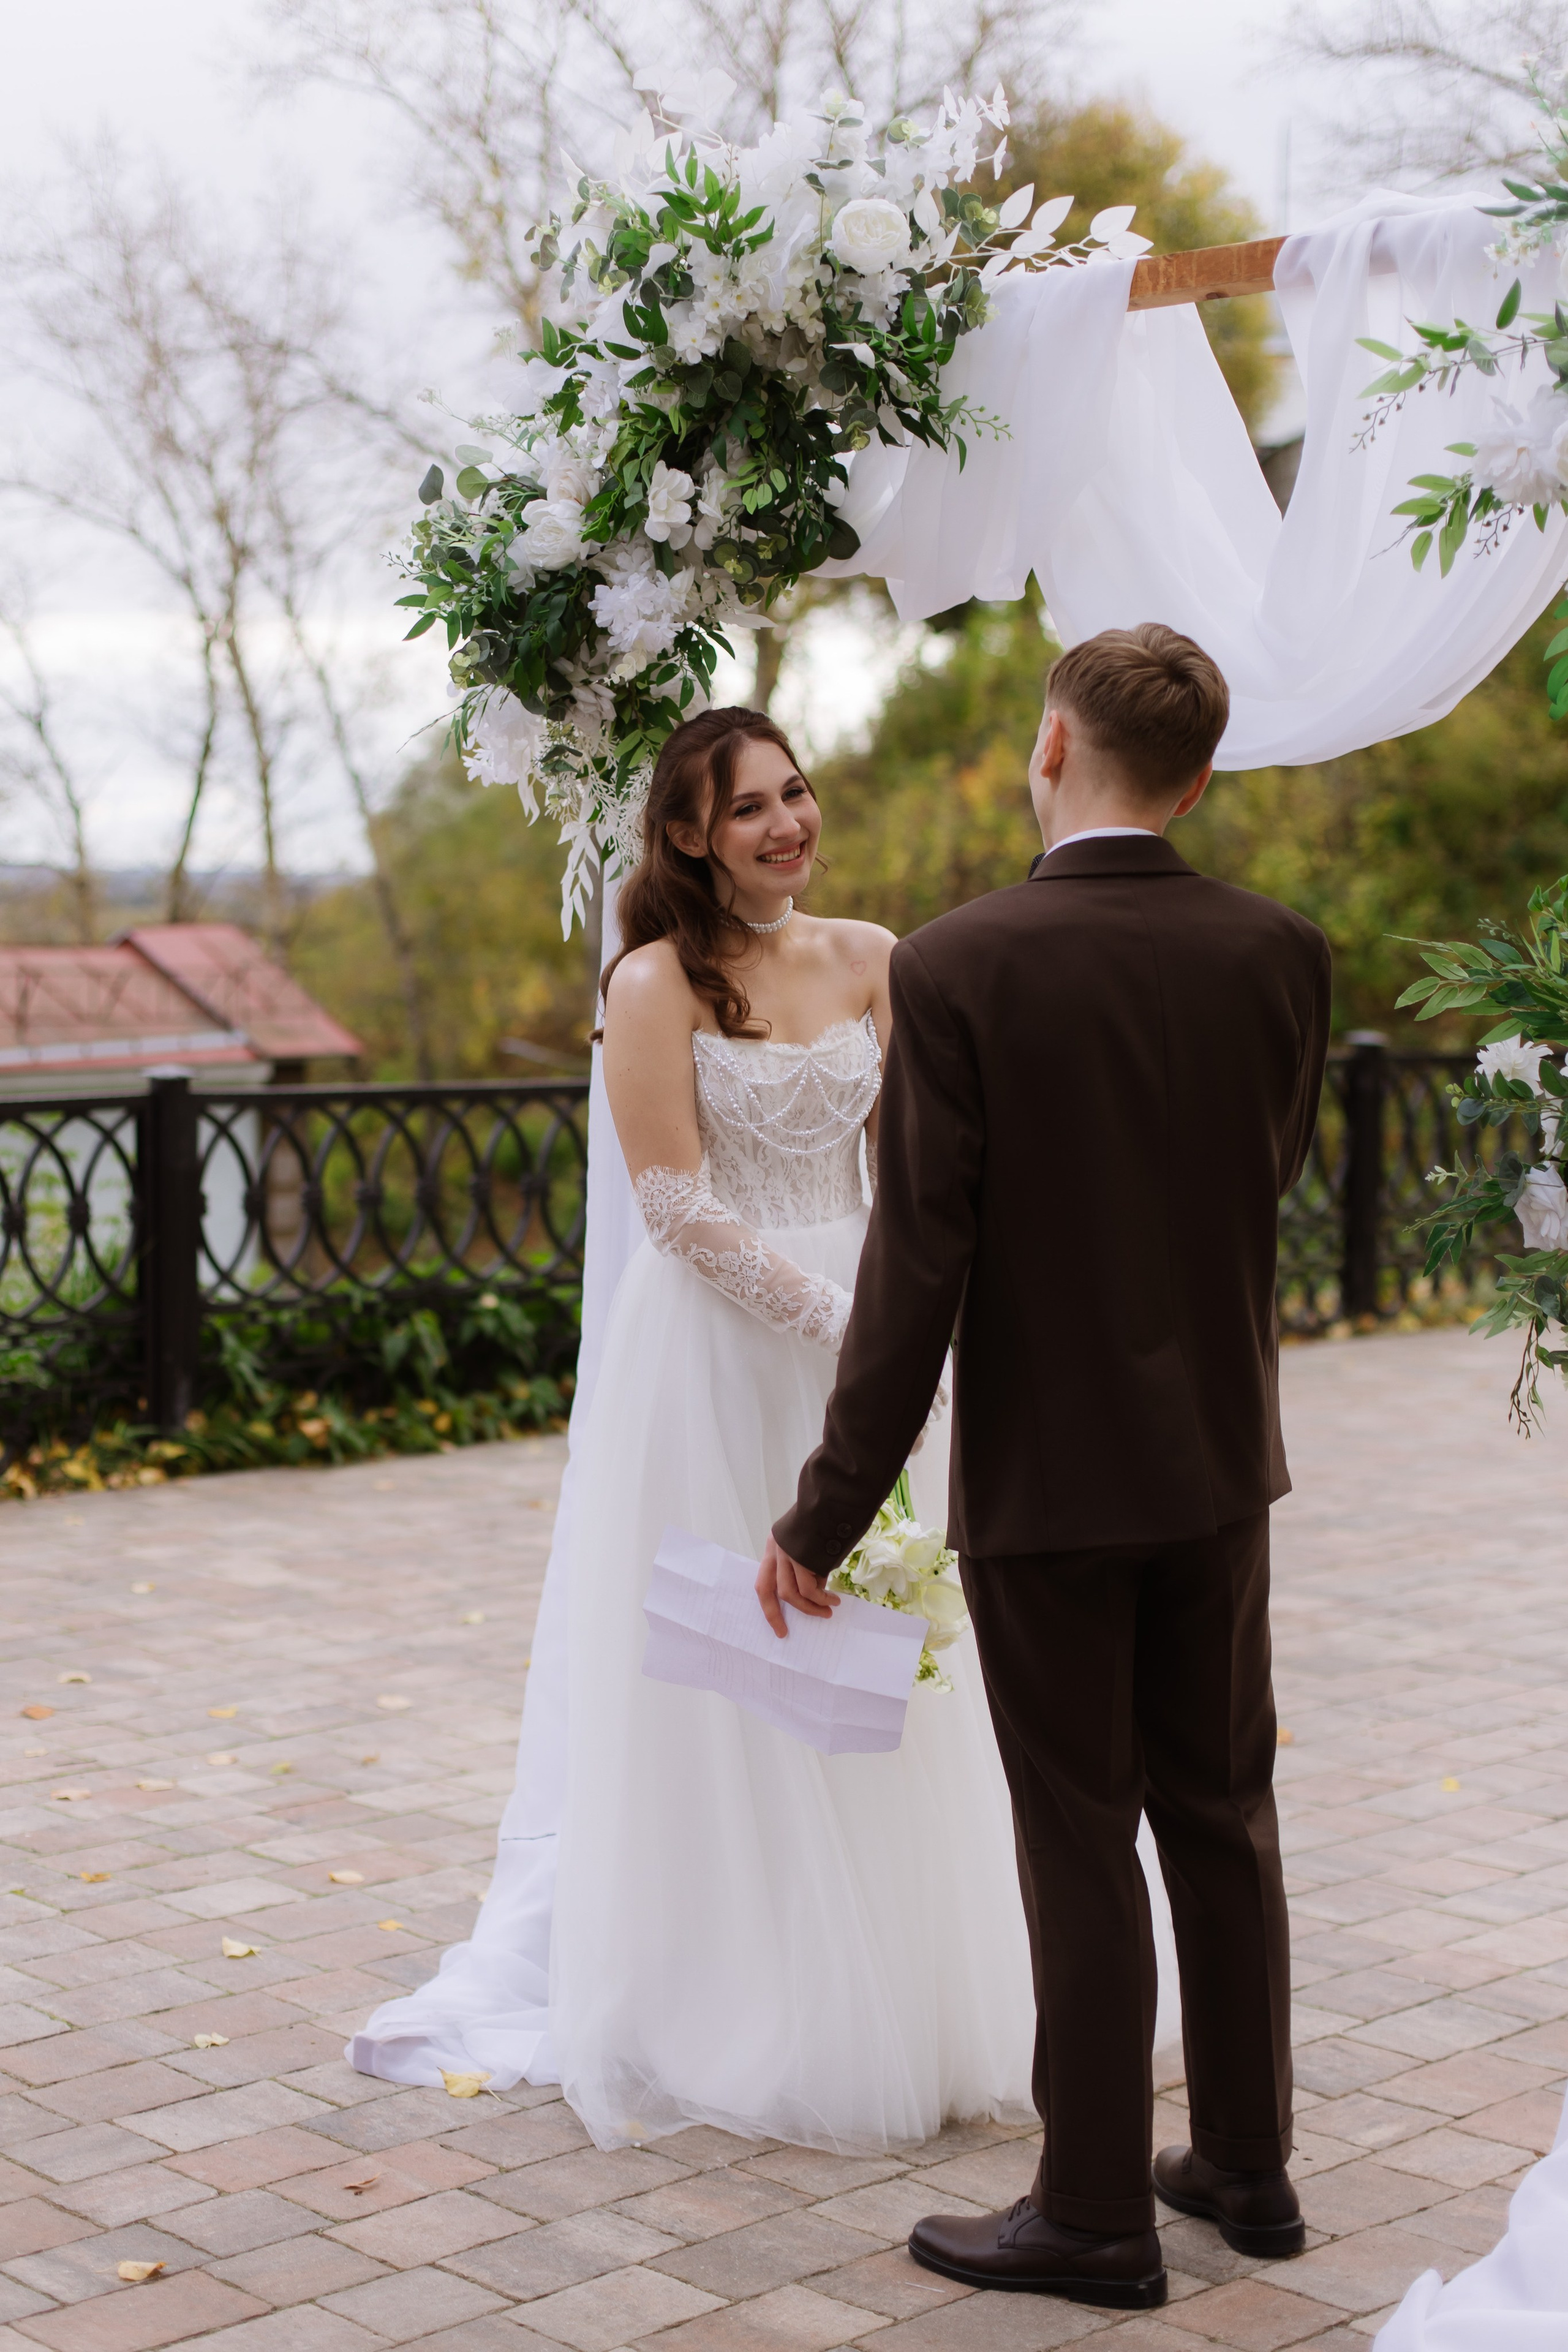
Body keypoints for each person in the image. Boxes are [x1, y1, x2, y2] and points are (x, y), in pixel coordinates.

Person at [766, 624, 1333, 2310]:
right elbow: (1259, 1179)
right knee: (1222, 1814)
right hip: (1218, 1463)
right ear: (1199, 779)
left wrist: (825, 1511)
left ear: (1052, 745)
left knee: (1079, 1833)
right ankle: (1245, 2162)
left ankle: (1092, 2210)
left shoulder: (957, 964)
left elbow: (915, 1271)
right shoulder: (1281, 952)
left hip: (1052, 1482)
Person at [520, 703, 1036, 2150]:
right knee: (747, 1668)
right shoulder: (650, 982)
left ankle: (926, 1982)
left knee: (904, 1649)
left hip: (877, 1327)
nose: (786, 824)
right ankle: (749, 1991)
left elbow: (920, 1167)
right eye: (749, 807)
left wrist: (914, 1326)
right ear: (689, 834)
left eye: (794, 793)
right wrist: (848, 1326)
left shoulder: (876, 958)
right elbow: (673, 1205)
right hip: (722, 1353)